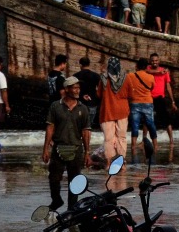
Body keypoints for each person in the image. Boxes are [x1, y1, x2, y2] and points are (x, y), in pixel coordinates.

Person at [42, 76, 91, 211]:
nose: (77, 90)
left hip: (76, 149)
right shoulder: (56, 106)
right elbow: (50, 127)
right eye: (74, 88)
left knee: (74, 181)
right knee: (54, 178)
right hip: (58, 148)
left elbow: (86, 132)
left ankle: (72, 208)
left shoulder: (83, 109)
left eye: (78, 88)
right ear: (67, 89)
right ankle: (56, 200)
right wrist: (45, 149)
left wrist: (87, 152)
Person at [97, 56, 131, 161]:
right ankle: (122, 163)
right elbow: (130, 94)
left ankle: (108, 163)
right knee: (122, 138)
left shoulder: (103, 78)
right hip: (122, 111)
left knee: (108, 139)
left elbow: (99, 95)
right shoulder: (126, 78)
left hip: (107, 111)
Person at [126, 58, 157, 152]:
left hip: (135, 102)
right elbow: (152, 88)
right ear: (146, 67)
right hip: (148, 102)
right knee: (151, 124)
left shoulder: (130, 76)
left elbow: (128, 87)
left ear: (137, 66)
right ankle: (155, 145)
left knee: (135, 125)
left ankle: (133, 146)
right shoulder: (151, 77)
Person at [148, 53, 176, 148]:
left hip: (160, 98)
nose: (154, 62)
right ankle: (144, 139)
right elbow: (147, 72)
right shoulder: (148, 69)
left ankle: (171, 140)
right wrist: (159, 73)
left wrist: (172, 101)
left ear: (159, 61)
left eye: (156, 60)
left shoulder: (164, 72)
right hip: (149, 97)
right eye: (152, 60)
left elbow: (168, 86)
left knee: (166, 120)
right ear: (150, 61)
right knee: (146, 120)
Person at [72, 56, 101, 128]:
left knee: (78, 127)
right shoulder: (96, 76)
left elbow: (72, 91)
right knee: (88, 128)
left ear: (81, 65)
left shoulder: (75, 76)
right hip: (92, 103)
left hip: (79, 104)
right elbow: (101, 90)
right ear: (89, 64)